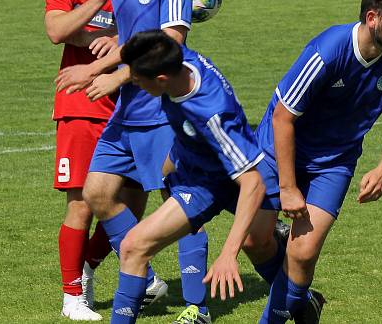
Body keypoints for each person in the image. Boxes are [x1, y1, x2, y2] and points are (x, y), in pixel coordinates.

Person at [241, 0, 382, 323]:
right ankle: (303, 300)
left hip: (334, 162)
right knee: (254, 241)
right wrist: (289, 188)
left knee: (303, 252)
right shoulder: (327, 51)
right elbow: (282, 118)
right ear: (373, 18)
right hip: (278, 149)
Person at [56, 0, 196, 317]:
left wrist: (109, 73)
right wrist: (98, 61)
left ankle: (196, 305)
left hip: (161, 106)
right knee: (97, 193)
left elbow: (170, 42)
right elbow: (130, 38)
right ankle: (136, 267)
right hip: (126, 110)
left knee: (184, 199)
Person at [109, 30, 266, 324]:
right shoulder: (181, 60)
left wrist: (228, 254)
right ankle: (298, 295)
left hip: (216, 182)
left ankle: (296, 295)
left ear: (161, 81)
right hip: (195, 168)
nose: (134, 83)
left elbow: (253, 182)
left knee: (133, 246)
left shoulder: (212, 113)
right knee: (133, 247)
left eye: (138, 80)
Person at [46, 0, 120, 321]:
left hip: (127, 103)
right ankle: (72, 297)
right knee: (82, 203)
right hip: (80, 104)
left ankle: (89, 266)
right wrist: (99, 0)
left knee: (131, 197)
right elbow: (58, 30)